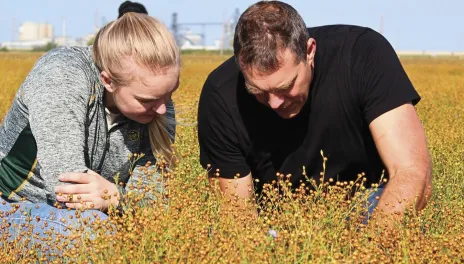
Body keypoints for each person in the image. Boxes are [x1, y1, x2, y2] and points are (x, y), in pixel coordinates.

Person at [197, 1, 432, 228]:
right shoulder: (221, 95)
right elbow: (238, 219)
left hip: (369, 209)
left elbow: (411, 171)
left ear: (309, 51)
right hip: (273, 219)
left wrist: (370, 250)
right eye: (257, 91)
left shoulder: (362, 54)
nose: (274, 103)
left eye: (285, 87)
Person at [0, 12, 180, 241]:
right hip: (12, 203)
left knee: (189, 234)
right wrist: (121, 201)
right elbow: (67, 192)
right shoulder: (62, 74)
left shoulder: (159, 102)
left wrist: (115, 198)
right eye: (146, 100)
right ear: (108, 81)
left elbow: (153, 202)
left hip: (99, 212)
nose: (163, 109)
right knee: (95, 234)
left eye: (170, 93)